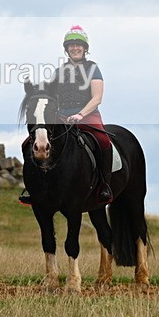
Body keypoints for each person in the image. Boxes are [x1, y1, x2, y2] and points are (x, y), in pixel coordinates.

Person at [19, 25, 113, 206]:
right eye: (71, 45)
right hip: (61, 117)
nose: (75, 48)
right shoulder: (58, 72)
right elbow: (51, 98)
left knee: (103, 141)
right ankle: (34, 188)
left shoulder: (93, 69)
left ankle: (104, 185)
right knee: (28, 143)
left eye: (79, 45)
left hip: (88, 115)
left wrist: (80, 114)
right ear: (66, 49)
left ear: (85, 49)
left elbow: (97, 97)